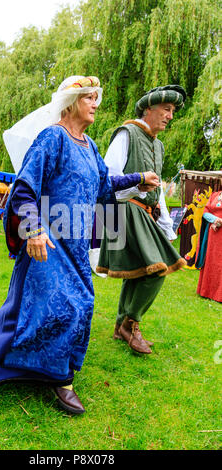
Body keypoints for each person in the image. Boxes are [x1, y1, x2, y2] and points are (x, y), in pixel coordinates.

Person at [0, 75, 159, 415]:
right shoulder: (52, 138)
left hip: (75, 248)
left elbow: (106, 185)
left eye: (96, 99)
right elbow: (25, 187)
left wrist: (138, 180)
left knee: (78, 307)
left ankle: (48, 370)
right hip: (47, 244)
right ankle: (60, 380)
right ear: (72, 102)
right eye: (89, 98)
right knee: (59, 309)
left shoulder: (90, 147)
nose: (95, 104)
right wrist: (33, 229)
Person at [97, 85, 187, 354]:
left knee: (137, 272)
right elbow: (106, 179)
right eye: (166, 109)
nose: (170, 116)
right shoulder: (127, 134)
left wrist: (166, 227)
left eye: (173, 111)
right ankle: (130, 324)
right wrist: (137, 186)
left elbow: (157, 190)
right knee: (158, 269)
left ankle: (120, 326)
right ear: (148, 109)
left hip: (146, 214)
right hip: (124, 210)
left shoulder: (158, 146)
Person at [196, 191, 222, 303]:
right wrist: (215, 220)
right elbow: (205, 212)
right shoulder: (215, 195)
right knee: (211, 261)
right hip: (212, 234)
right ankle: (208, 292)